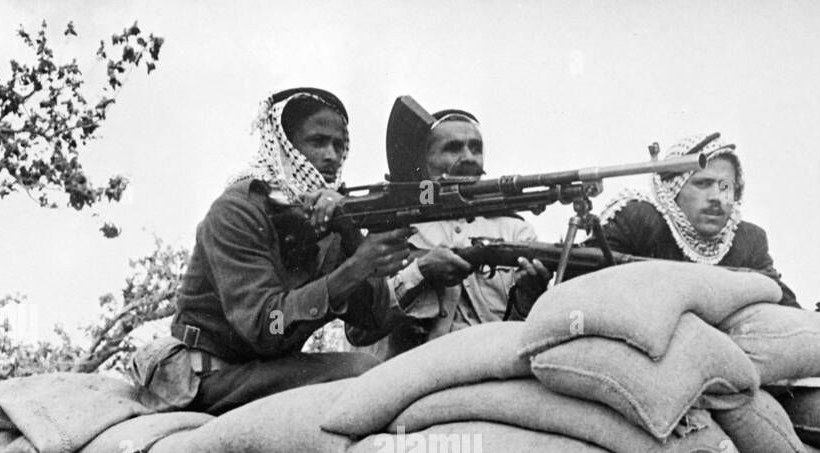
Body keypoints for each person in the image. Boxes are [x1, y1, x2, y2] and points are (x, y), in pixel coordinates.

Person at [152, 88, 413, 414]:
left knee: (378, 374)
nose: (332, 156)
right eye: (317, 142)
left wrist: (351, 234)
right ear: (283, 147)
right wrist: (357, 266)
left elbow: (371, 321)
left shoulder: (327, 219)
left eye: (339, 146)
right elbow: (267, 327)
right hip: (205, 378)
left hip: (266, 371)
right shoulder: (238, 211)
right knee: (360, 375)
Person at [373, 104, 551, 358]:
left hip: (494, 367)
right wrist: (420, 272)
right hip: (412, 374)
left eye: (476, 148)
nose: (469, 157)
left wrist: (528, 296)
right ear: (423, 161)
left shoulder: (514, 230)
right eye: (453, 148)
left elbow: (523, 333)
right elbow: (363, 325)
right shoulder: (395, 226)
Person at [600, 133, 799, 307]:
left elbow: (784, 305)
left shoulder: (748, 239)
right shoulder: (640, 220)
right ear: (673, 190)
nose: (717, 197)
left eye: (726, 187)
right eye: (703, 183)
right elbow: (585, 278)